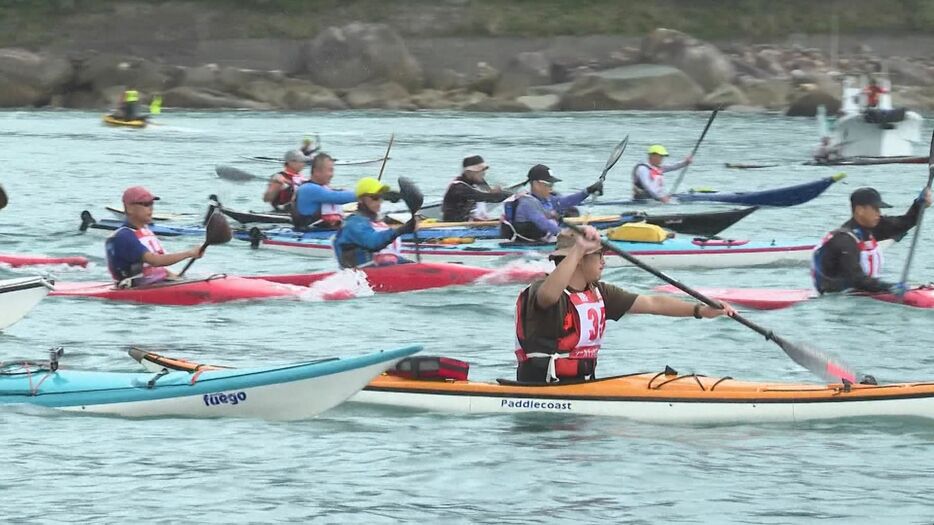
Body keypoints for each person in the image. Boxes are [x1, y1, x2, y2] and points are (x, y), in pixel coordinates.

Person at [514, 226, 735, 383]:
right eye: (599, 255)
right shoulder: (542, 288)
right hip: (542, 386)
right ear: (579, 258)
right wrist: (579, 249)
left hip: (581, 384)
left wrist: (700, 310)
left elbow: (653, 303)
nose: (604, 262)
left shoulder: (600, 292)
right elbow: (548, 297)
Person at [812, 187, 932, 295]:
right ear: (860, 210)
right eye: (875, 209)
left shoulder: (871, 228)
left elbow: (904, 223)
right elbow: (857, 280)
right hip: (839, 300)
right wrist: (889, 287)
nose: (879, 214)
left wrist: (919, 205)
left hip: (864, 293)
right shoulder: (844, 240)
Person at [105, 186, 202, 287]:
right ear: (129, 208)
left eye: (152, 204)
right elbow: (155, 261)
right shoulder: (124, 236)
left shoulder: (146, 231)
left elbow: (159, 266)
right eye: (146, 204)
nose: (151, 208)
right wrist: (189, 253)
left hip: (155, 283)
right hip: (134, 288)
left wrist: (176, 277)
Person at [500, 164, 603, 242]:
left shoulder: (546, 199)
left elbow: (567, 201)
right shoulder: (527, 203)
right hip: (525, 249)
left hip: (541, 242)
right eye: (549, 184)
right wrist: (573, 233)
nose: (551, 188)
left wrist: (588, 191)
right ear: (536, 184)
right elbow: (545, 224)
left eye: (552, 185)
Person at [333, 177, 417, 268]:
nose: (379, 201)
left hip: (376, 273)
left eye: (381, 197)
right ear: (361, 199)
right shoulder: (353, 223)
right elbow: (373, 242)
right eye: (375, 197)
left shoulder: (375, 222)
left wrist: (413, 265)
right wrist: (402, 229)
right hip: (356, 277)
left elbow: (387, 256)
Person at [292, 152, 356, 230]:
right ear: (317, 171)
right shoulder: (308, 189)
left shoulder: (323, 189)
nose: (332, 174)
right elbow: (336, 197)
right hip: (309, 234)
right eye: (330, 170)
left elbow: (339, 193)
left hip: (326, 231)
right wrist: (364, 194)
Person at [441, 155, 512, 222]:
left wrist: (494, 191)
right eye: (479, 171)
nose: (483, 173)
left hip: (467, 221)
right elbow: (487, 197)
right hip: (453, 226)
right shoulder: (458, 187)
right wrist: (512, 196)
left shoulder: (475, 180)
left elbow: (488, 191)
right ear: (468, 172)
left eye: (483, 171)